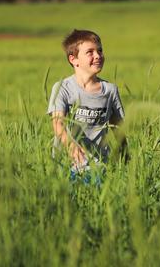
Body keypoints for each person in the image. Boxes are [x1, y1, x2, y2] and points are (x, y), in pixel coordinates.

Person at [47, 29, 126, 176]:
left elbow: (118, 129)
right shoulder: (63, 88)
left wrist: (126, 157)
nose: (97, 56)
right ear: (73, 59)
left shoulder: (110, 90)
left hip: (100, 168)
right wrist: (71, 146)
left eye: (100, 51)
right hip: (66, 166)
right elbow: (58, 123)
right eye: (90, 52)